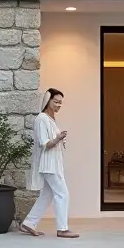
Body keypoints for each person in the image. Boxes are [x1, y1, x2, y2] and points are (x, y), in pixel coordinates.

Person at [19, 88, 80, 239]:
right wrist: (59, 138)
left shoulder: (50, 119)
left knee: (47, 194)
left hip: (53, 163)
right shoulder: (42, 119)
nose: (59, 105)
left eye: (61, 103)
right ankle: (62, 229)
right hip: (48, 164)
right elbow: (44, 143)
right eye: (56, 101)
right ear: (48, 101)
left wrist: (60, 138)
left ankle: (29, 223)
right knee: (62, 194)